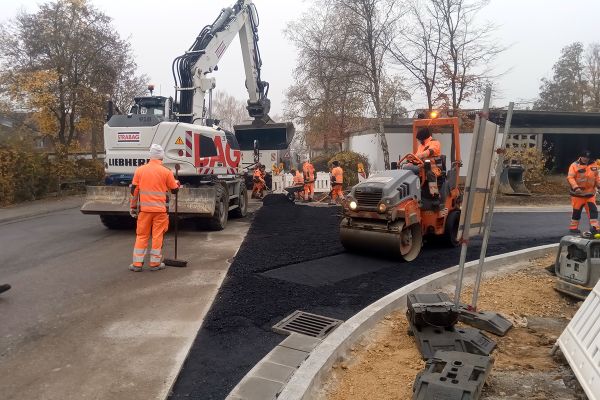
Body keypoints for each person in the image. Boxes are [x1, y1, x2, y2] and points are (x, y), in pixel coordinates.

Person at [129, 144, 179, 272]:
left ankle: (137, 264)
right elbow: (174, 190)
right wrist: (177, 184)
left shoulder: (140, 170)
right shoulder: (166, 172)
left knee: (141, 235)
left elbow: (134, 191)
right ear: (161, 157)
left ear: (150, 156)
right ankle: (155, 264)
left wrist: (133, 207)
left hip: (144, 211)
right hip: (160, 211)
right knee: (157, 236)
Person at [567, 149, 600, 234]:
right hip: (577, 195)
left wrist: (599, 185)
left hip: (590, 194)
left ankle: (595, 228)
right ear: (580, 157)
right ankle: (573, 227)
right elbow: (570, 178)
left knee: (593, 211)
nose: (586, 159)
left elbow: (597, 177)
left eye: (588, 157)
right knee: (576, 212)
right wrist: (575, 188)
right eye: (584, 157)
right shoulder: (574, 165)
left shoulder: (594, 165)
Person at [404, 128, 442, 197]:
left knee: (430, 173)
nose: (418, 141)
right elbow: (416, 157)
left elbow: (428, 152)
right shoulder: (421, 146)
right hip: (421, 167)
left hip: (432, 167)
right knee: (406, 168)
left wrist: (417, 156)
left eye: (419, 139)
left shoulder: (435, 143)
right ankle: (408, 193)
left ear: (423, 138)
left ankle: (435, 193)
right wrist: (411, 161)